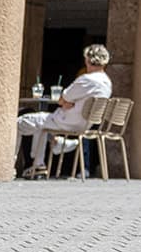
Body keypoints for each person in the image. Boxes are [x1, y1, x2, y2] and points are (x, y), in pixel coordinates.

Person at [15, 45, 112, 178]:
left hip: (66, 121)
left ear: (87, 60)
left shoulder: (86, 80)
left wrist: (68, 102)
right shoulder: (107, 83)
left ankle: (8, 166)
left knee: (17, 124)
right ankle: (42, 161)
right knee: (41, 124)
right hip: (85, 124)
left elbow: (62, 98)